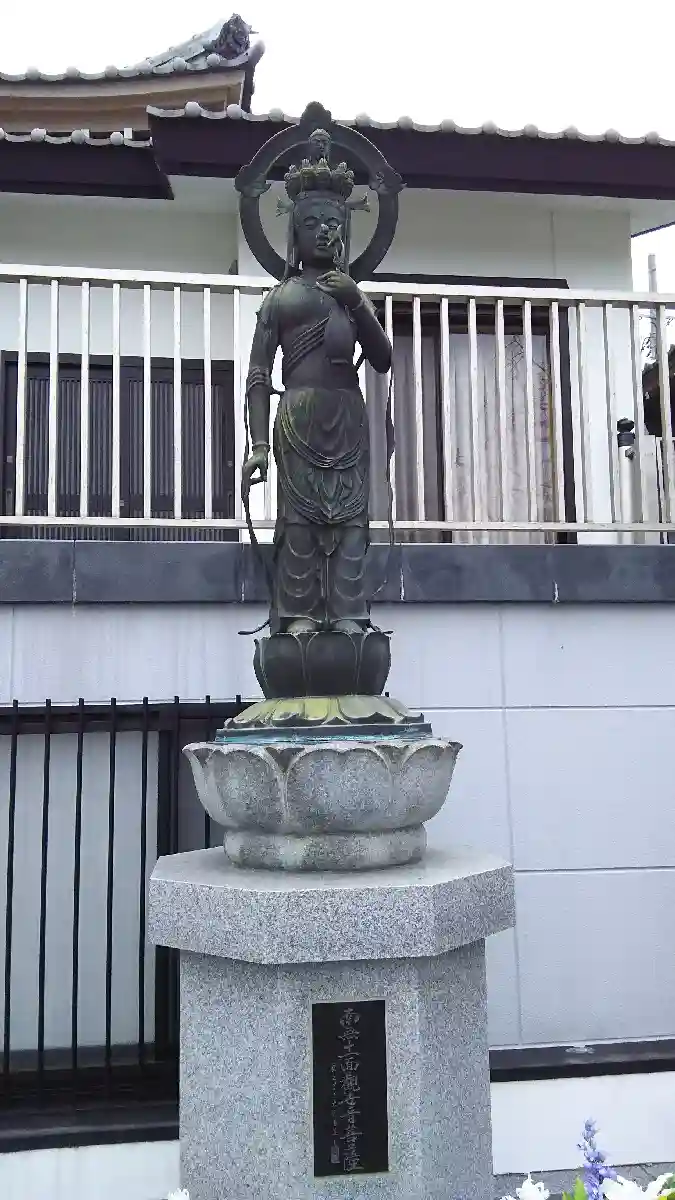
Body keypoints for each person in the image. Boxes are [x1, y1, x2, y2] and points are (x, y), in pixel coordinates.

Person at [242, 132, 392, 636]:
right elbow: (259, 374)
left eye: (333, 224)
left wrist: (355, 301)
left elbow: (382, 358)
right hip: (298, 419)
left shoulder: (353, 296)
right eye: (312, 224)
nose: (324, 233)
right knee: (300, 521)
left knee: (350, 520)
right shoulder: (279, 299)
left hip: (347, 416)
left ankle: (349, 612)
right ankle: (299, 613)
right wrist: (258, 445)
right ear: (294, 232)